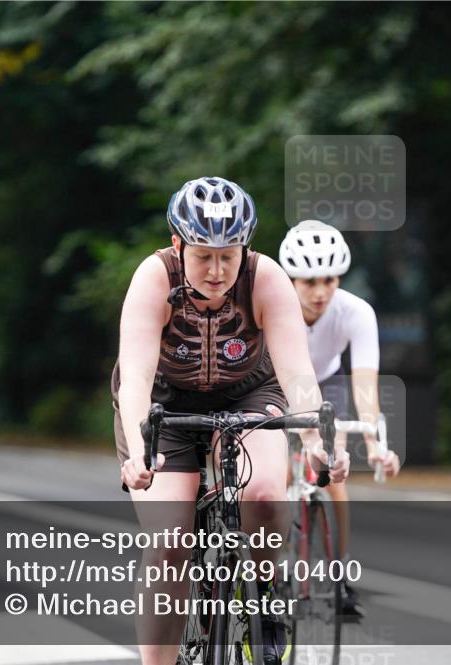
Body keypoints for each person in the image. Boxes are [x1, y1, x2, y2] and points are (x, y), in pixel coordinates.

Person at [113, 178, 350, 665]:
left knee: (263, 494)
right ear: (179, 245)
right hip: (163, 403)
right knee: (168, 544)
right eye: (204, 256)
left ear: (247, 246)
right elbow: (134, 376)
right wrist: (140, 450)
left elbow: (297, 375)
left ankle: (264, 595)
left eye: (230, 254)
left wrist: (315, 439)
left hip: (249, 392)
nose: (218, 270)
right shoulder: (153, 279)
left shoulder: (266, 280)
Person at [278, 220, 401, 616]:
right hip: (275, 381)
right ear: (291, 280)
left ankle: (339, 573)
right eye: (308, 282)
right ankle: (270, 568)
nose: (320, 293)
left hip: (327, 382)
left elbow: (365, 384)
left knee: (333, 476)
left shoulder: (355, 312)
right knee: (277, 475)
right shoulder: (273, 307)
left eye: (329, 280)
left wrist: (375, 445)